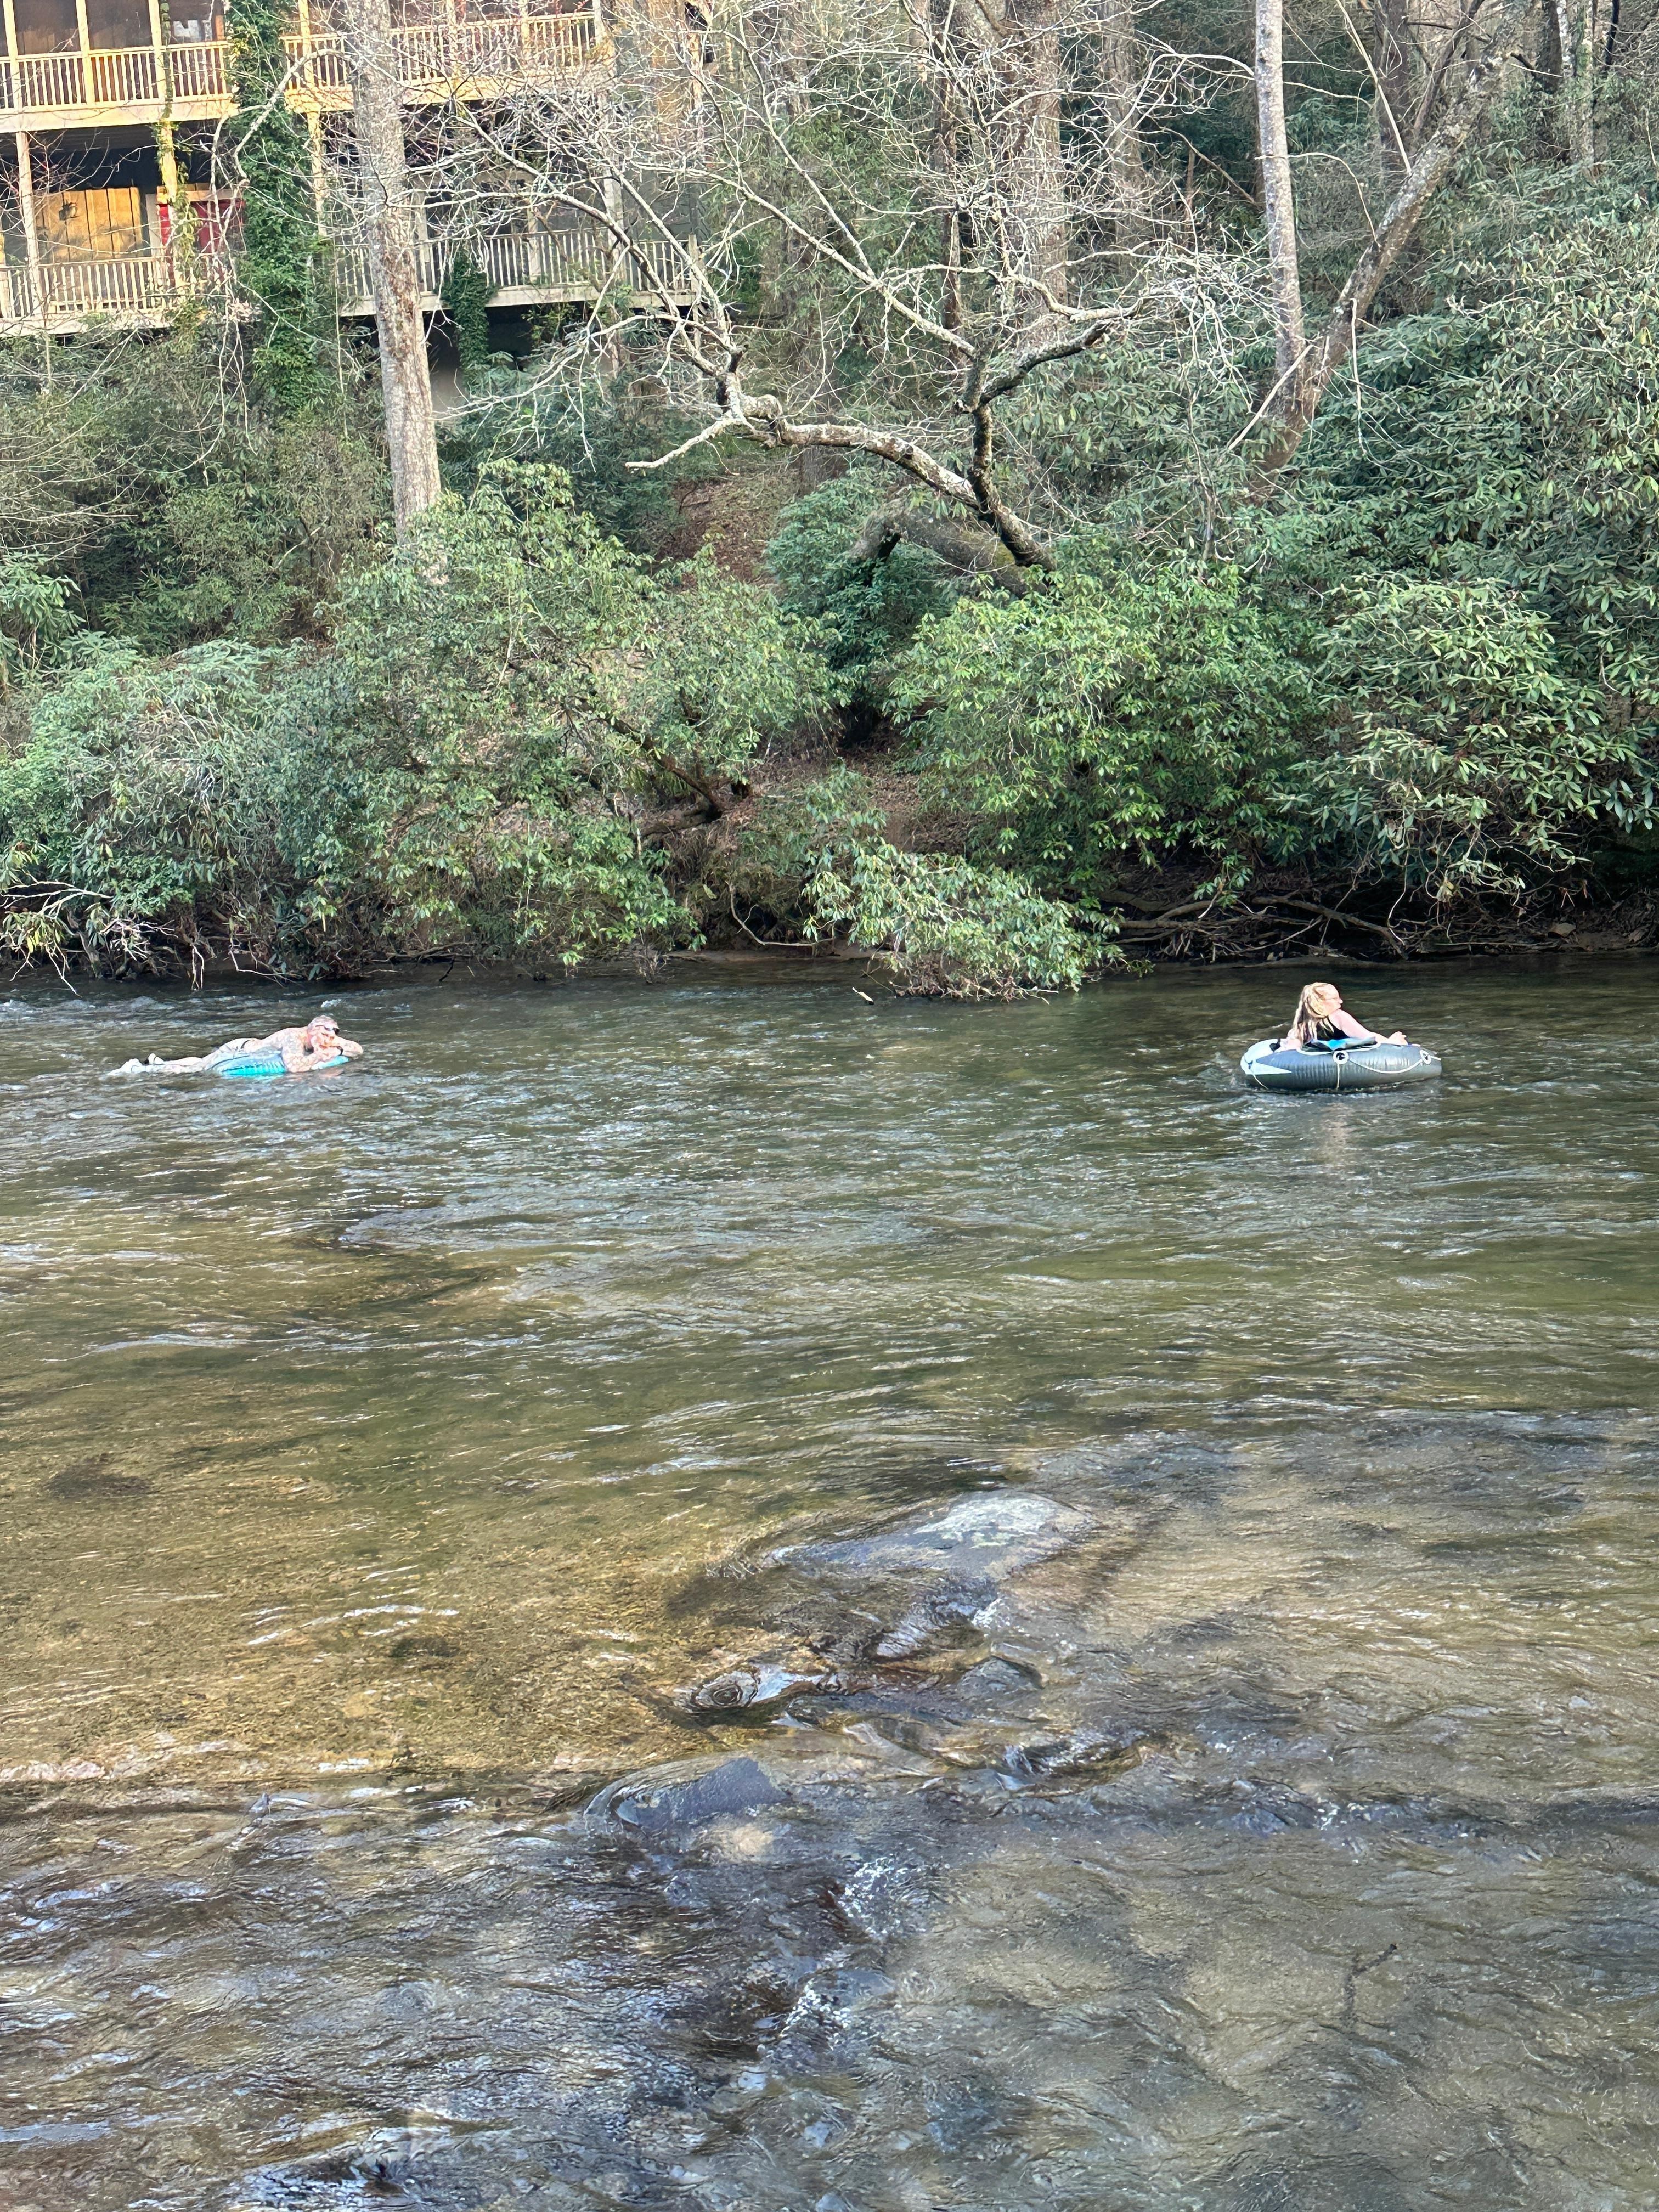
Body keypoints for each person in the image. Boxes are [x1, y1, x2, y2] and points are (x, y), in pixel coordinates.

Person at [115, 1013, 364, 1076]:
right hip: (240, 1050)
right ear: (310, 1031)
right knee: (199, 1069)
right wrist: (321, 1057)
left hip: (250, 1047)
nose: (325, 1041)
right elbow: (295, 1068)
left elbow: (358, 1048)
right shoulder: (293, 1037)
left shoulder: (330, 1037)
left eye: (330, 1037)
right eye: (321, 1037)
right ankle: (140, 1069)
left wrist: (338, 1049)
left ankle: (159, 1061)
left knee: (200, 1063)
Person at [1283, 981, 1407, 1049]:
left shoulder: (1301, 1028)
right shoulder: (1339, 1017)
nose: (1341, 1001)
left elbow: (1289, 1052)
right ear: (1320, 1003)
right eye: (1335, 998)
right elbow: (1368, 1038)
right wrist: (1393, 1042)